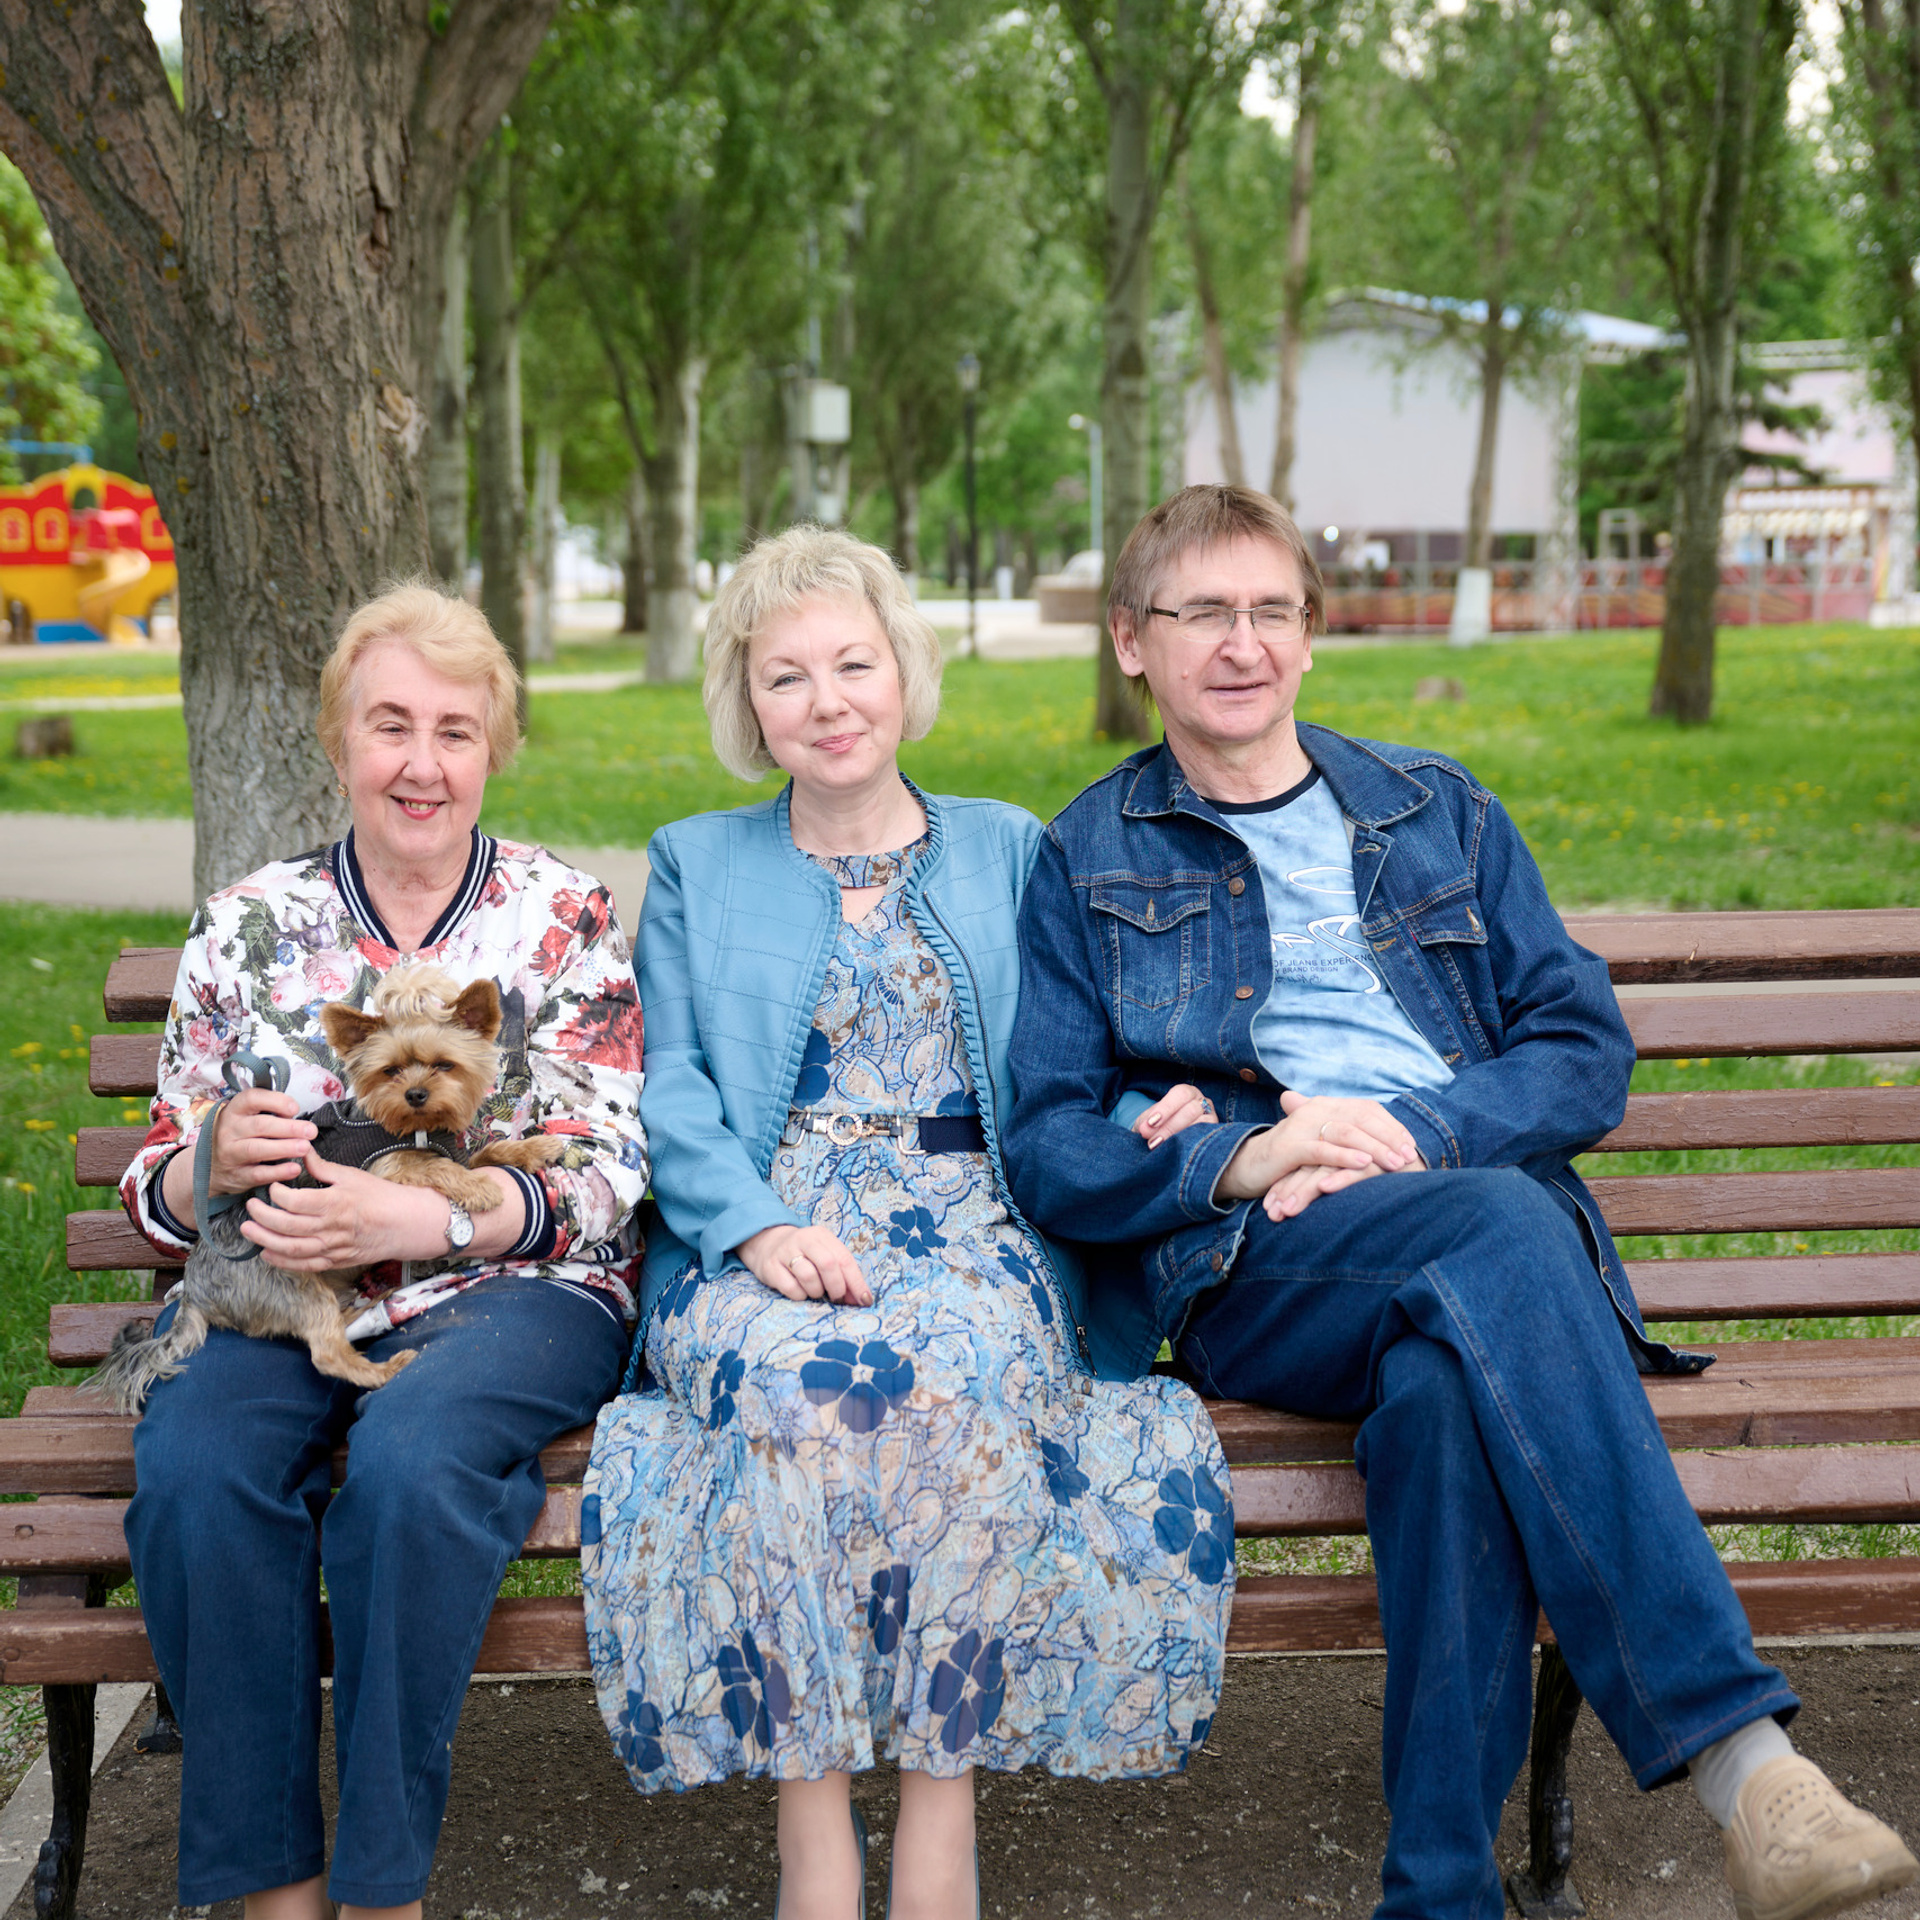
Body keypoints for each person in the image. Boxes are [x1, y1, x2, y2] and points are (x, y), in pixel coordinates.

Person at [1001, 484, 1919, 1920]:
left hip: (1472, 1234)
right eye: (1201, 615)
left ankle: (1437, 1896)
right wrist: (1238, 1159)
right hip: (1269, 1263)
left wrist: (1416, 1130)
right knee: (1500, 1229)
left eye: (1271, 611)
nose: (1240, 645)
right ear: (1133, 641)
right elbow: (1048, 1140)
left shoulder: (1439, 809)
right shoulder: (1089, 854)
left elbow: (1580, 1049)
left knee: (1441, 1396)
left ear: (1310, 636)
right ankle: (1746, 1764)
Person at [582, 526, 1231, 1920]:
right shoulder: (696, 863)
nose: (826, 701)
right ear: (748, 706)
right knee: (791, 1388)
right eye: (786, 676)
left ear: (904, 673)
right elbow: (671, 1087)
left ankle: (941, 1820)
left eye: (853, 663)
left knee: (966, 1378)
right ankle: (813, 1830)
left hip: (977, 1218)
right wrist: (753, 1232)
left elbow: (1075, 1057)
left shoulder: (1007, 847)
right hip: (761, 1221)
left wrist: (1142, 1122)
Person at [120, 582, 647, 1920]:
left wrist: (433, 1217)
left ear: (497, 750)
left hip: (512, 1288)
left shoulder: (560, 918)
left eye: (456, 731)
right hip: (283, 1286)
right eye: (391, 725)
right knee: (194, 1472)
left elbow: (610, 1174)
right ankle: (271, 1886)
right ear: (339, 739)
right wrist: (202, 1166)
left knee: (410, 1471)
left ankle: (383, 1892)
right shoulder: (247, 924)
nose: (422, 764)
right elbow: (152, 1185)